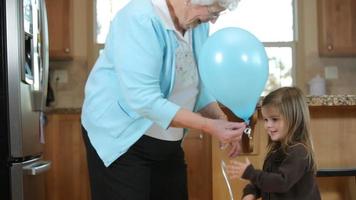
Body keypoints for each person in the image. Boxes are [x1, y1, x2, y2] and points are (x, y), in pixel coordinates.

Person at [81, 0, 245, 199]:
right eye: (213, 11)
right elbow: (144, 99)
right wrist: (208, 125)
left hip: (167, 141)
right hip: (122, 138)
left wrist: (220, 120)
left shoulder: (197, 25)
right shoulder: (139, 18)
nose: (213, 20)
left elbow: (198, 85)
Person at [226, 87, 321, 200]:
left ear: (294, 119)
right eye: (266, 120)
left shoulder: (298, 152)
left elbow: (281, 182)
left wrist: (251, 173)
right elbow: (269, 181)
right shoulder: (277, 151)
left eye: (274, 119)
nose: (268, 125)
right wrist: (251, 192)